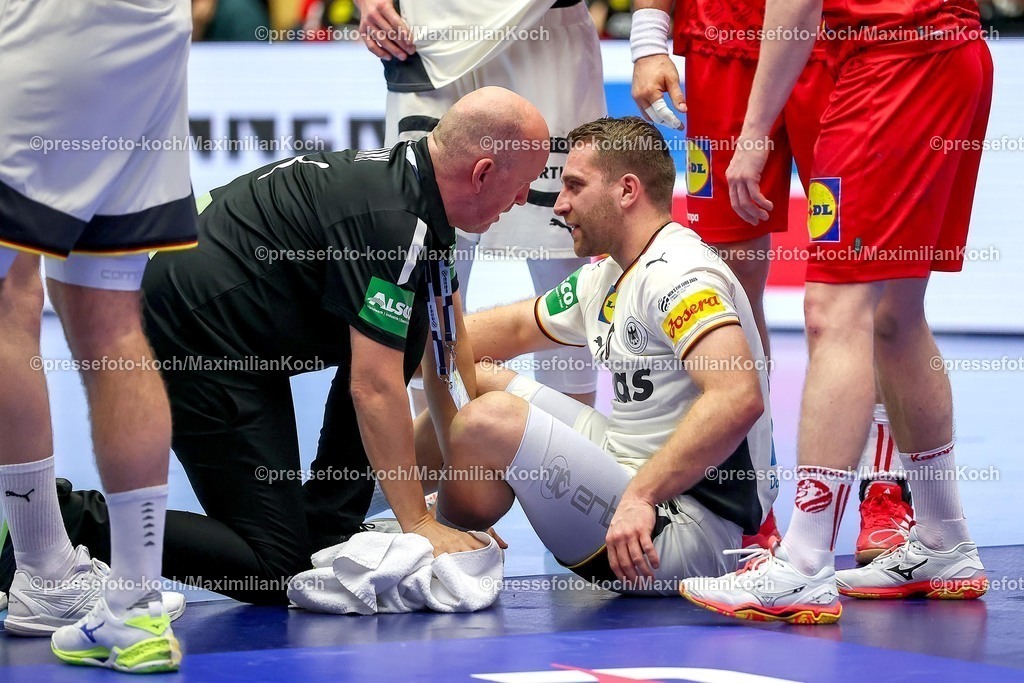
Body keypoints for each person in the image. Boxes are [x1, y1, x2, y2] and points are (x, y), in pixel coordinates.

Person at [0, 87, 549, 607]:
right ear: (481, 172)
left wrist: (459, 512)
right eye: (522, 185)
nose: (525, 199)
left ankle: (331, 523)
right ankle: (62, 519)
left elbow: (448, 355)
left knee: (403, 330)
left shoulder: (421, 193)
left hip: (231, 322)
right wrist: (420, 525)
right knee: (273, 568)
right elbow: (373, 387)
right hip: (192, 336)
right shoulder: (395, 222)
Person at [681, 0, 992, 622]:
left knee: (833, 309)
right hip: (947, 51)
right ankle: (943, 537)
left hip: (892, 63)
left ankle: (802, 559)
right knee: (894, 313)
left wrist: (753, 131)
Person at [432, 116, 777, 593]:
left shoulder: (678, 275)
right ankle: (352, 504)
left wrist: (640, 495)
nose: (560, 204)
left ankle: (432, 538)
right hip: (628, 472)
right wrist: (391, 331)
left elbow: (738, 397)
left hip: (683, 529)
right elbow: (509, 327)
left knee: (488, 419)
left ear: (627, 191)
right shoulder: (612, 272)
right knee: (479, 378)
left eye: (574, 186)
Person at [629, 0, 914, 560]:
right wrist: (647, 37)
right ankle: (749, 505)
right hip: (720, 44)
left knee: (866, 285)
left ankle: (885, 491)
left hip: (837, 40)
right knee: (724, 296)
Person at [0, 0, 197, 672]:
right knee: (107, 316)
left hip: (54, 21)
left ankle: (48, 573)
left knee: (3, 296)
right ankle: (131, 603)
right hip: (151, 27)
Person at [355, 0, 606, 410]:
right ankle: (441, 467)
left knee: (563, 264)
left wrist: (648, 37)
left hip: (542, 32)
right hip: (425, 36)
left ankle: (573, 465)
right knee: (422, 262)